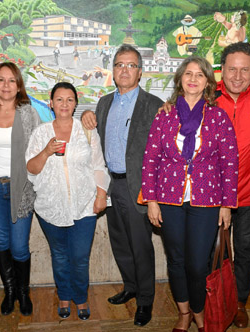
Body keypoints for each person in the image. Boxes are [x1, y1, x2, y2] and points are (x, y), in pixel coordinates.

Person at [160, 42, 250, 328]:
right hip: (208, 198)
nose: (238, 75)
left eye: (245, 69)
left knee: (244, 253)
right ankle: (204, 304)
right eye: (232, 69)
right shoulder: (206, 100)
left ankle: (238, 303)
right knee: (203, 256)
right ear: (221, 71)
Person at [141, 55, 239, 332]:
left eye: (199, 74)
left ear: (208, 82)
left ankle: (199, 311)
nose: (193, 78)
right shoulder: (165, 115)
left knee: (198, 264)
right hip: (168, 199)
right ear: (180, 79)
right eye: (188, 74)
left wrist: (227, 205)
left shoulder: (218, 117)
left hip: (207, 201)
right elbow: (150, 159)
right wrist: (151, 200)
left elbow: (230, 163)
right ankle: (183, 313)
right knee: (176, 260)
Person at [81, 44, 164, 327]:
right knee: (120, 242)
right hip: (111, 185)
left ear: (140, 71)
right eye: (119, 65)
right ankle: (130, 286)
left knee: (141, 246)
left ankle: (145, 300)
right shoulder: (104, 103)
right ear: (113, 71)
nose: (124, 70)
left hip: (138, 187)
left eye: (130, 65)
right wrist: (85, 116)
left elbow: (163, 153)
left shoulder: (153, 105)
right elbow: (94, 136)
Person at [26, 82, 110, 321]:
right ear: (51, 103)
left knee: (81, 256)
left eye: (69, 99)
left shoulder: (85, 130)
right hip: (50, 206)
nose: (64, 104)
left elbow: (98, 165)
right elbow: (31, 169)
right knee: (60, 255)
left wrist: (101, 195)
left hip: (84, 205)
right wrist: (45, 151)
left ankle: (81, 297)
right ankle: (64, 295)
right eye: (59, 99)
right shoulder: (40, 133)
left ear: (75, 103)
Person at [0, 62, 41, 317]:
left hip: (21, 188)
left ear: (19, 85)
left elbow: (40, 148)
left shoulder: (28, 112)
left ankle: (23, 293)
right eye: (1, 80)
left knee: (19, 247)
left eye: (11, 80)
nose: (6, 85)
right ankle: (9, 292)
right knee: (1, 242)